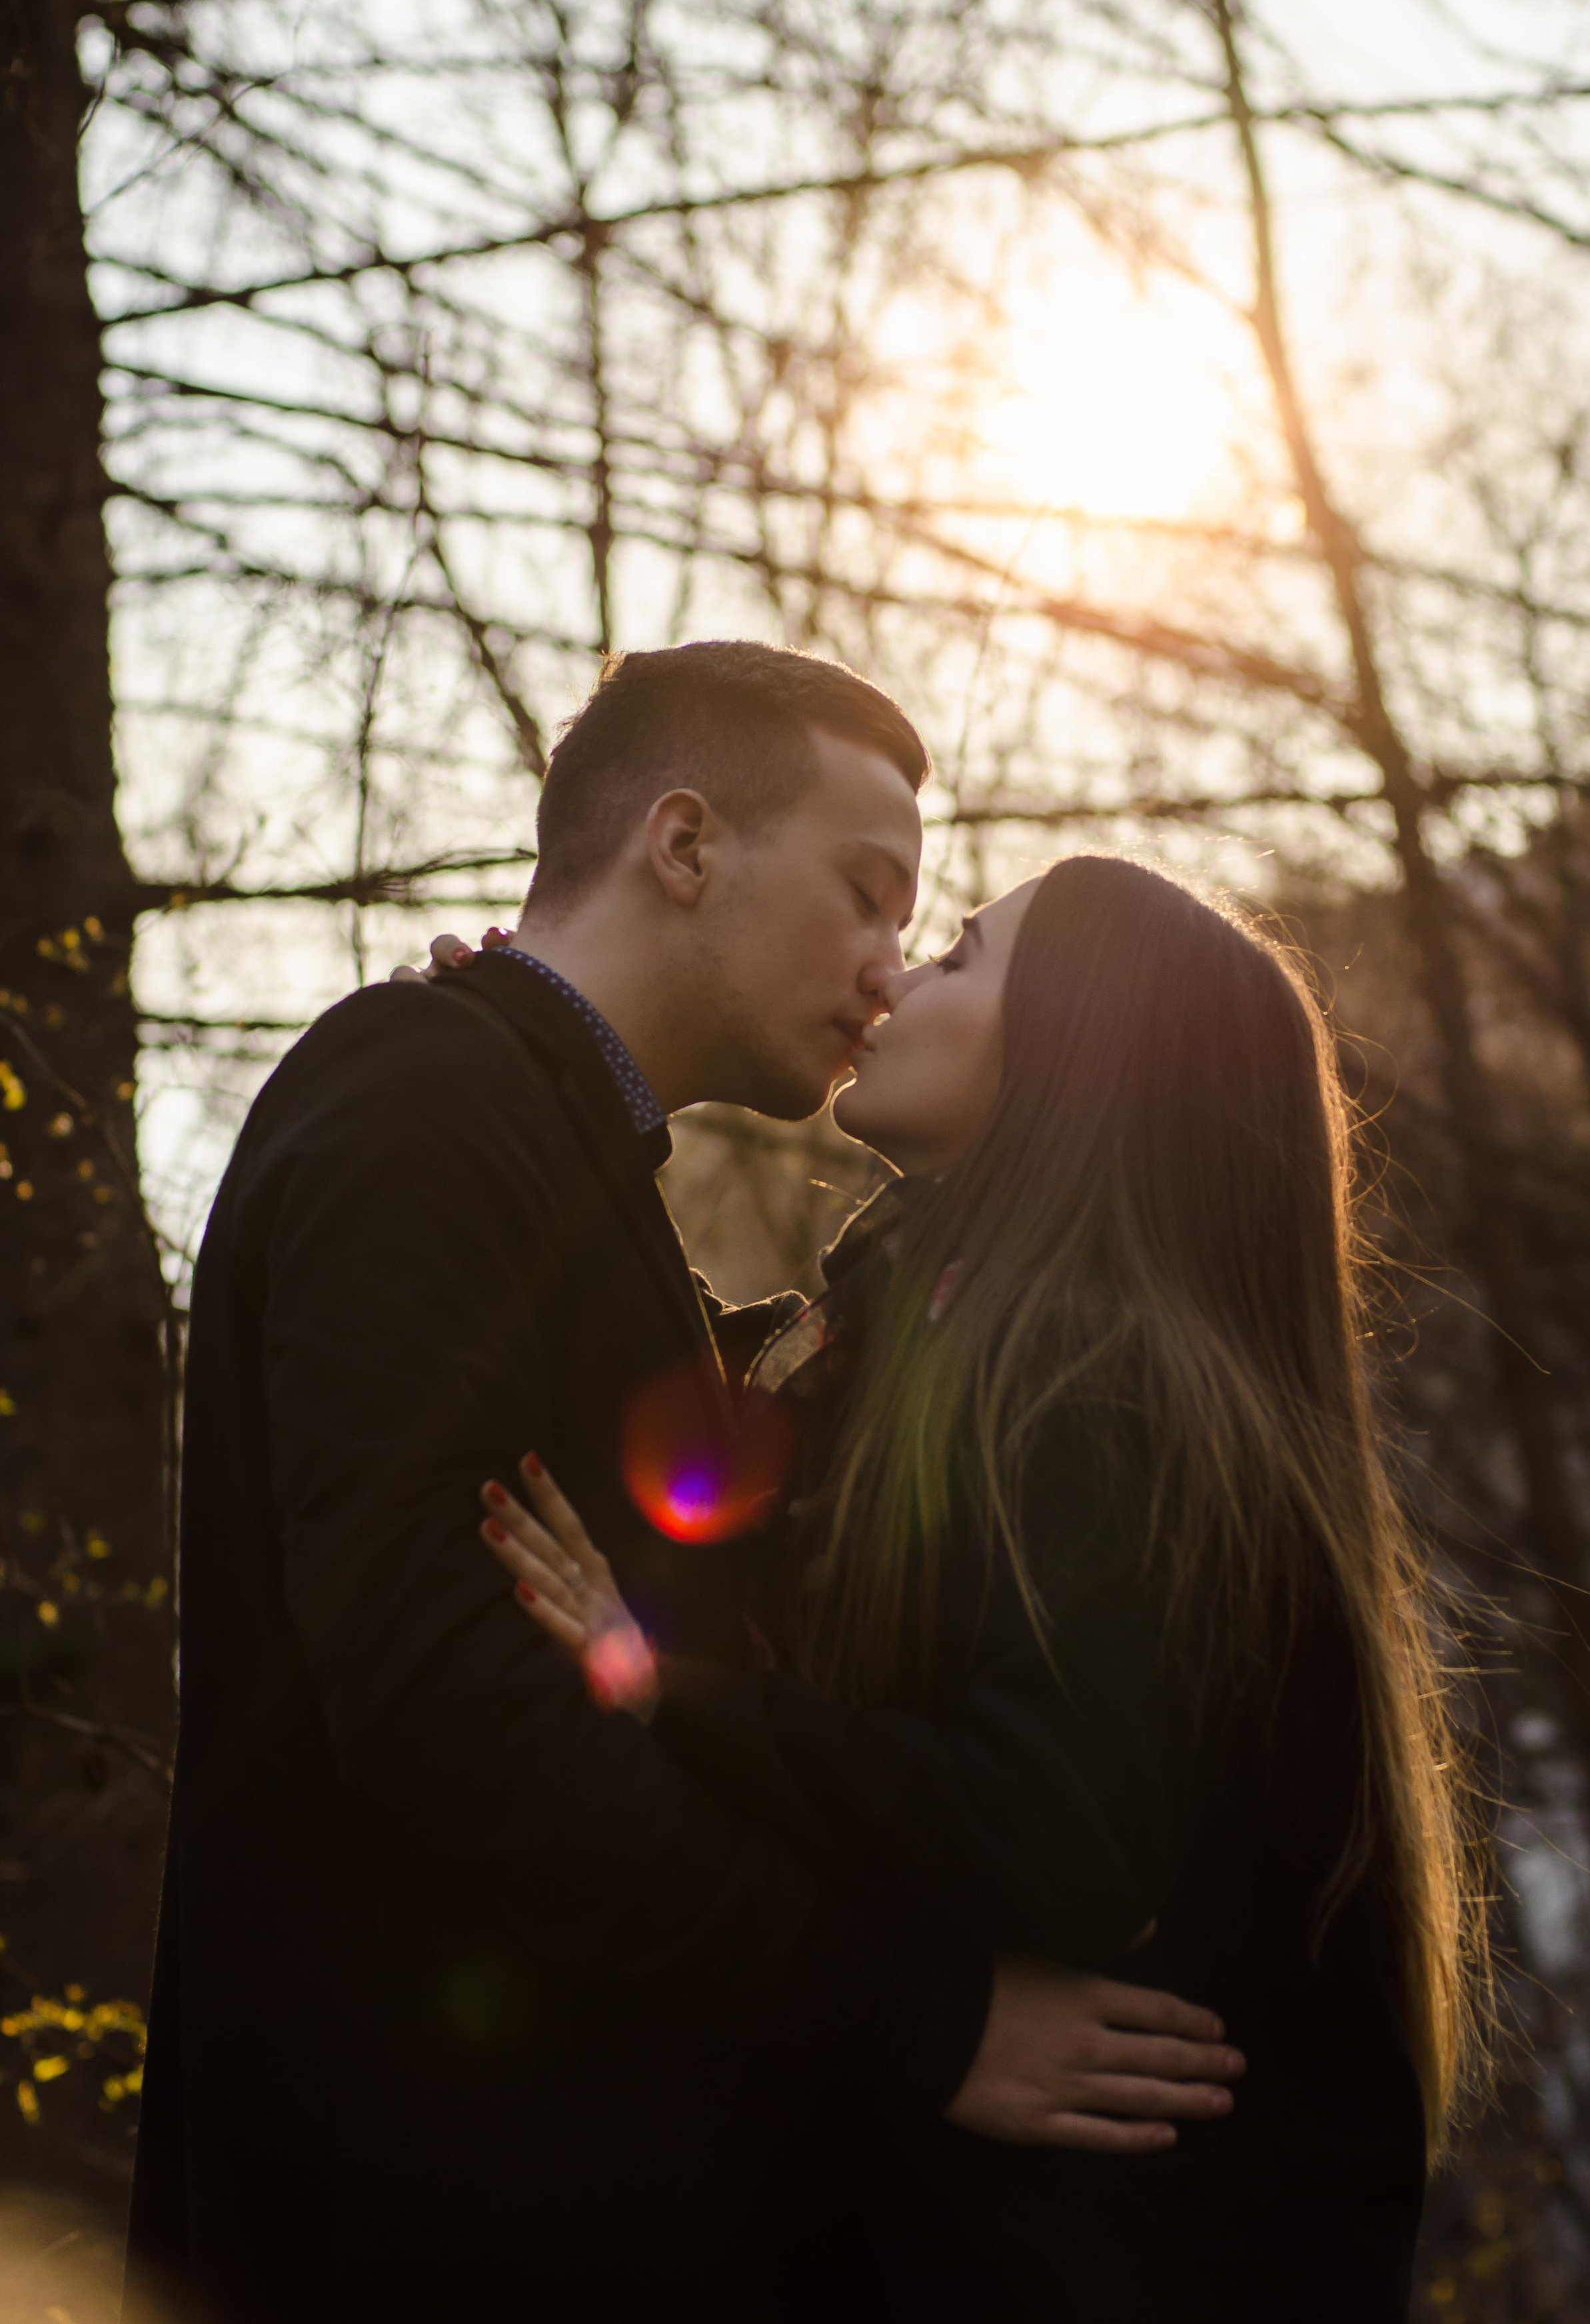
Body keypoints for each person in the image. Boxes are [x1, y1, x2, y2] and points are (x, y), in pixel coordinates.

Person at [125, 646, 1243, 2324]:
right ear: (685, 843)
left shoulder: (544, 1139)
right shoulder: (426, 1099)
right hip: (422, 2226)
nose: (885, 969)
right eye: (866, 895)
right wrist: (912, 2022)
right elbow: (450, 1716)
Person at [470, 853, 1490, 2321]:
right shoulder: (932, 1347)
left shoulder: (1100, 1392)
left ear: (1072, 1054)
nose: (894, 976)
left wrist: (670, 1697)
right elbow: (674, 1403)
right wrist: (536, 1058)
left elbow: (1050, 1833)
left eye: (955, 955)